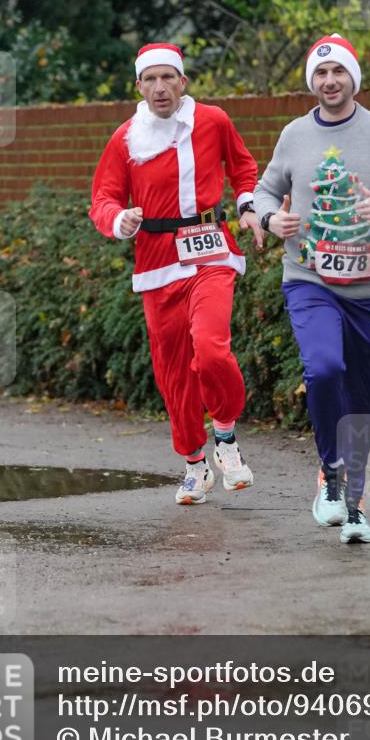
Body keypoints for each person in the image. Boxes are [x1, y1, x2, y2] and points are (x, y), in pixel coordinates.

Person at [254, 34, 370, 544]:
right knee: (324, 367)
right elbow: (265, 190)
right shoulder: (294, 135)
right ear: (311, 81)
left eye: (338, 71)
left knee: (362, 396)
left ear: (353, 78)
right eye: (320, 73)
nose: (329, 81)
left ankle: (354, 506)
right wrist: (270, 218)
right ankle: (330, 474)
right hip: (309, 279)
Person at [90, 43, 264, 506]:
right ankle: (193, 464)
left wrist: (248, 206)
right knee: (172, 372)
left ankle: (225, 436)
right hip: (156, 261)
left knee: (210, 348)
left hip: (210, 249)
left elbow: (243, 168)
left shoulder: (213, 121)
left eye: (168, 77)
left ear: (183, 82)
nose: (160, 87)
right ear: (139, 86)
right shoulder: (125, 138)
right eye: (150, 79)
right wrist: (119, 219)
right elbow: (102, 198)